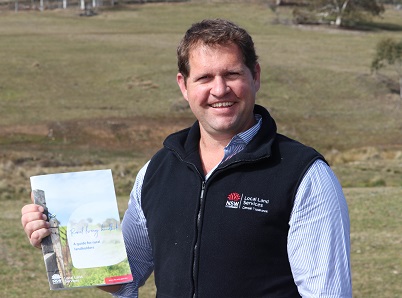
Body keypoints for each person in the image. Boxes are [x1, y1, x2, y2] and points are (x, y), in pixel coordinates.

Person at [21, 19, 352, 297]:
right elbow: (127, 273)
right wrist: (61, 244)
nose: (219, 90)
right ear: (184, 85)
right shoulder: (157, 170)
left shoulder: (304, 175)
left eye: (232, 74)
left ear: (256, 76)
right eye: (204, 78)